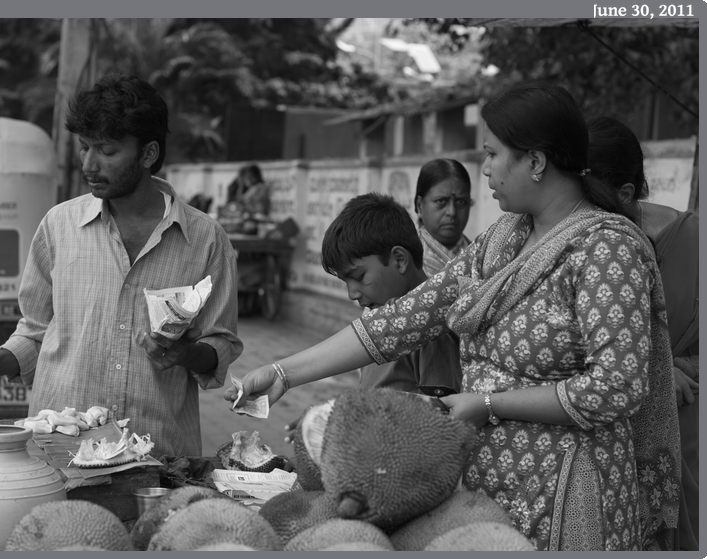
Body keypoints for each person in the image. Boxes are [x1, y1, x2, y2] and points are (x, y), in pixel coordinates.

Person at [225, 82, 680, 551]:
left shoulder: (607, 247)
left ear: (536, 162)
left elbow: (615, 388)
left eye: (492, 155)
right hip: (490, 501)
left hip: (572, 497)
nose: (483, 171)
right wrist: (284, 372)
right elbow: (400, 320)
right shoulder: (503, 239)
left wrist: (489, 404)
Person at [0, 74, 243, 458]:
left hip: (157, 454)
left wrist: (185, 354)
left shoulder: (206, 240)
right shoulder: (58, 227)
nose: (90, 165)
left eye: (107, 151)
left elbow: (220, 343)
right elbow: (35, 332)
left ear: (148, 154)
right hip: (59, 452)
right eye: (84, 148)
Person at [588, 115, 698, 551]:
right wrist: (652, 373)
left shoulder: (691, 239)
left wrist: (673, 368)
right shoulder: (574, 245)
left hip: (686, 426)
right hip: (599, 433)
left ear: (626, 194)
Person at [321, 192, 461, 396]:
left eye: (359, 277)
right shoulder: (379, 319)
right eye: (346, 282)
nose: (352, 294)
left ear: (399, 260)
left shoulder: (429, 332)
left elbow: (438, 414)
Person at [414, 158, 474, 276]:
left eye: (461, 202)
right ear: (420, 205)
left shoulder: (481, 257)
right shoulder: (407, 260)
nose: (452, 212)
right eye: (441, 201)